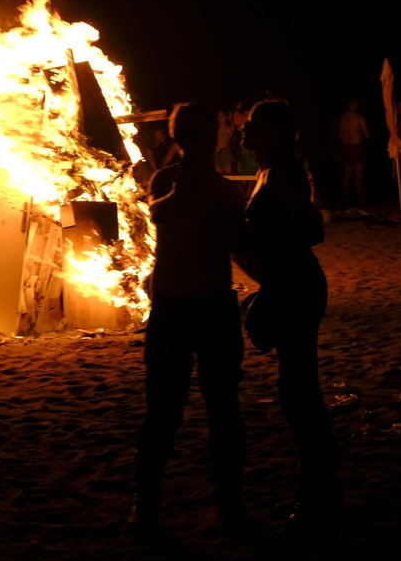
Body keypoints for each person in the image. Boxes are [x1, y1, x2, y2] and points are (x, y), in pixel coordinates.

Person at [132, 103, 249, 538]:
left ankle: (230, 507)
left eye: (201, 134)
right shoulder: (166, 181)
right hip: (174, 306)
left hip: (214, 304)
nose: (196, 143)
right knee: (162, 411)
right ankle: (145, 508)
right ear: (179, 138)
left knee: (224, 410)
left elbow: (239, 242)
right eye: (188, 135)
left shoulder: (224, 189)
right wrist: (184, 194)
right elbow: (158, 212)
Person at [237, 100, 341, 531]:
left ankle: (320, 499)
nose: (243, 134)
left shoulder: (283, 174)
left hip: (296, 286)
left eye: (252, 127)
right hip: (285, 284)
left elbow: (312, 230)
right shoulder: (267, 172)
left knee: (300, 394)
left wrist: (259, 243)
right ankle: (315, 492)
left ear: (275, 134)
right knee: (294, 391)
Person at [336, 98, 370, 207]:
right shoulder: (359, 118)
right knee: (358, 176)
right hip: (357, 147)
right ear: (354, 105)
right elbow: (367, 134)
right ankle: (362, 202)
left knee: (347, 175)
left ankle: (343, 201)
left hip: (346, 147)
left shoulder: (343, 118)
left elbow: (341, 136)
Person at [214, 110, 235, 176]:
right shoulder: (215, 128)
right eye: (218, 116)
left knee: (228, 174)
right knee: (218, 174)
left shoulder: (228, 128)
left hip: (225, 151)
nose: (220, 118)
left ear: (226, 117)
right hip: (215, 152)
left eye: (222, 116)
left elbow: (233, 130)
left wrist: (231, 119)